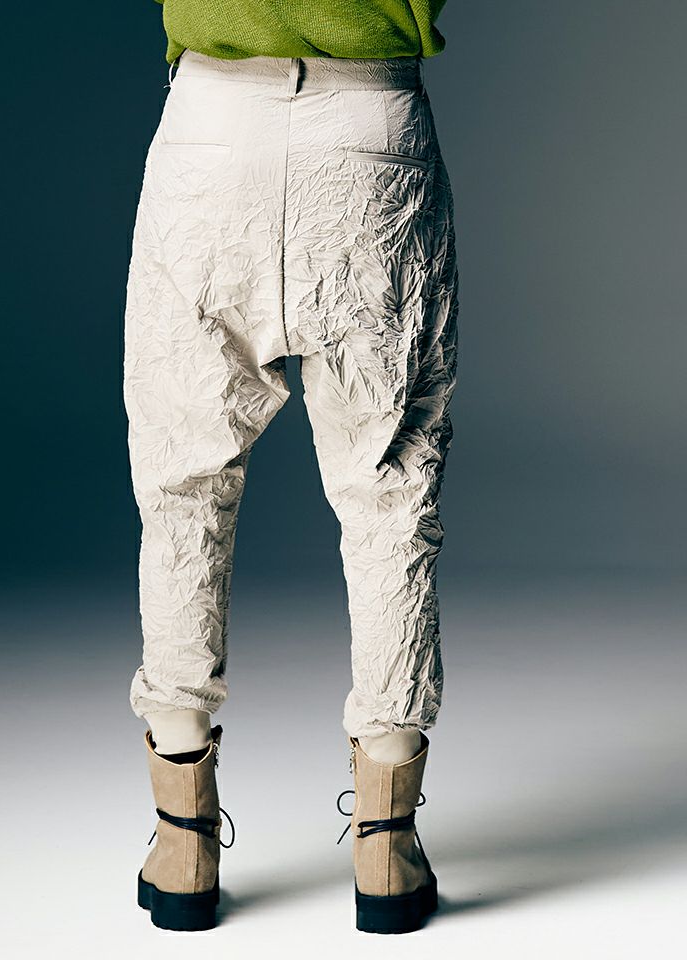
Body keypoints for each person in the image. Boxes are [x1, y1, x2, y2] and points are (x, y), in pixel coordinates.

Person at [123, 0, 457, 934]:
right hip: (371, 135)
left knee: (184, 486)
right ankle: (386, 846)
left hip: (209, 134)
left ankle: (182, 840)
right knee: (390, 489)